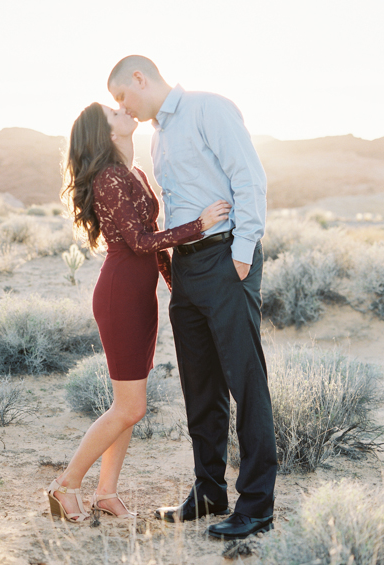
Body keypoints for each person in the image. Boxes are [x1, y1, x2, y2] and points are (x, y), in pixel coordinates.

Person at [107, 55, 277, 540]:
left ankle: (257, 506)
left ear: (140, 78)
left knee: (246, 383)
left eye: (123, 96)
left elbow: (249, 178)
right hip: (187, 269)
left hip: (226, 258)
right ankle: (208, 492)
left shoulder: (209, 109)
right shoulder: (158, 135)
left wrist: (242, 253)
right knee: (200, 387)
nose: (124, 107)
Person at [48, 102, 231, 522]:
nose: (124, 110)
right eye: (114, 112)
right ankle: (65, 486)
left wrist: (175, 287)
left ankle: (106, 493)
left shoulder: (134, 173)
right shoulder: (109, 177)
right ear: (106, 132)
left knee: (129, 403)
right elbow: (140, 241)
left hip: (139, 296)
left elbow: (153, 246)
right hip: (120, 295)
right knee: (129, 407)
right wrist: (199, 226)